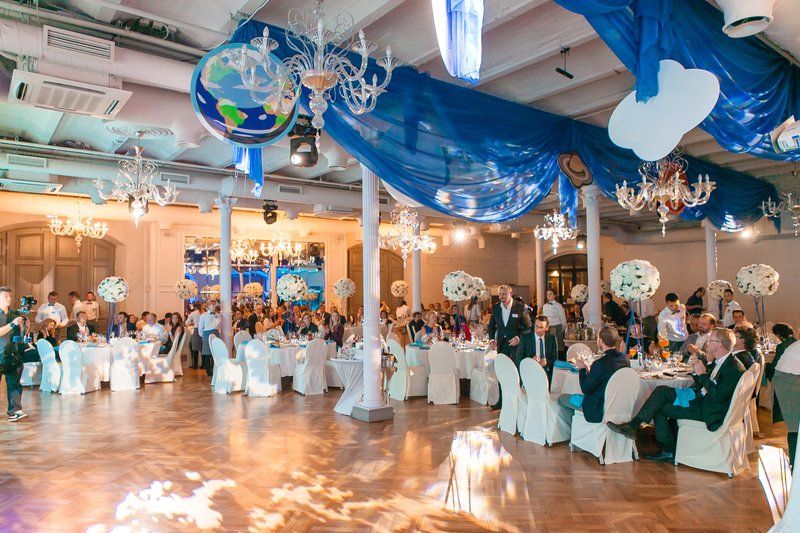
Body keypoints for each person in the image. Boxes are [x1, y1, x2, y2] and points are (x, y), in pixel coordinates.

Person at [608, 328, 744, 463]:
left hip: (711, 411)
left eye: (710, 340)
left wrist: (702, 375)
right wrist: (696, 372)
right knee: (661, 391)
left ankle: (665, 449)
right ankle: (635, 427)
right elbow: (704, 386)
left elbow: (718, 396)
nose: (707, 342)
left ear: (719, 344)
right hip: (703, 400)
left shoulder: (732, 368)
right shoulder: (721, 361)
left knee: (660, 408)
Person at [557, 326, 629, 421]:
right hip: (619, 404)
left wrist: (582, 369)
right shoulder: (625, 359)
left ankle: (573, 427)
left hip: (598, 407)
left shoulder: (600, 363)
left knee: (561, 398)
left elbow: (585, 389)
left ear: (601, 341)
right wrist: (589, 371)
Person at [487, 285, 532, 409]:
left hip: (517, 346)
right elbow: (491, 326)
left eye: (504, 294)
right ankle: (502, 401)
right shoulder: (496, 308)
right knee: (502, 372)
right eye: (500, 294)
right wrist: (492, 339)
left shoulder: (520, 307)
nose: (501, 296)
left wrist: (518, 338)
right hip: (502, 345)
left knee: (516, 372)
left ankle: (517, 401)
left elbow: (528, 327)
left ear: (510, 294)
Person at [771, 334, 800, 468]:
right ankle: (795, 463)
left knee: (795, 427)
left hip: (787, 381)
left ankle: (795, 462)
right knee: (795, 427)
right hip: (789, 383)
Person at [0, 286, 28, 421]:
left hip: (13, 353)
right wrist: (12, 324)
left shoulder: (15, 314)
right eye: (5, 296)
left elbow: (22, 335)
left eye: (10, 296)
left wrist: (24, 326)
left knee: (14, 384)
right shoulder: (12, 319)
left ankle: (15, 411)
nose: (9, 298)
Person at [198, 302, 220, 377]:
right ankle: (208, 370)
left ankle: (215, 368)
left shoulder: (218, 315)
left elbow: (220, 326)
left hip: (216, 333)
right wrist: (203, 336)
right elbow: (200, 328)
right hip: (206, 334)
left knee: (216, 352)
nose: (214, 306)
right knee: (207, 353)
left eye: (215, 304)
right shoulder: (203, 315)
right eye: (212, 304)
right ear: (208, 306)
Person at [542, 289, 567, 354]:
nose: (548, 295)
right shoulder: (544, 306)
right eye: (547, 294)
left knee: (558, 345)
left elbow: (563, 318)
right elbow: (544, 318)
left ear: (555, 295)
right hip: (547, 328)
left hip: (557, 327)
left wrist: (562, 329)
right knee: (549, 345)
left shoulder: (558, 305)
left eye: (550, 294)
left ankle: (560, 357)